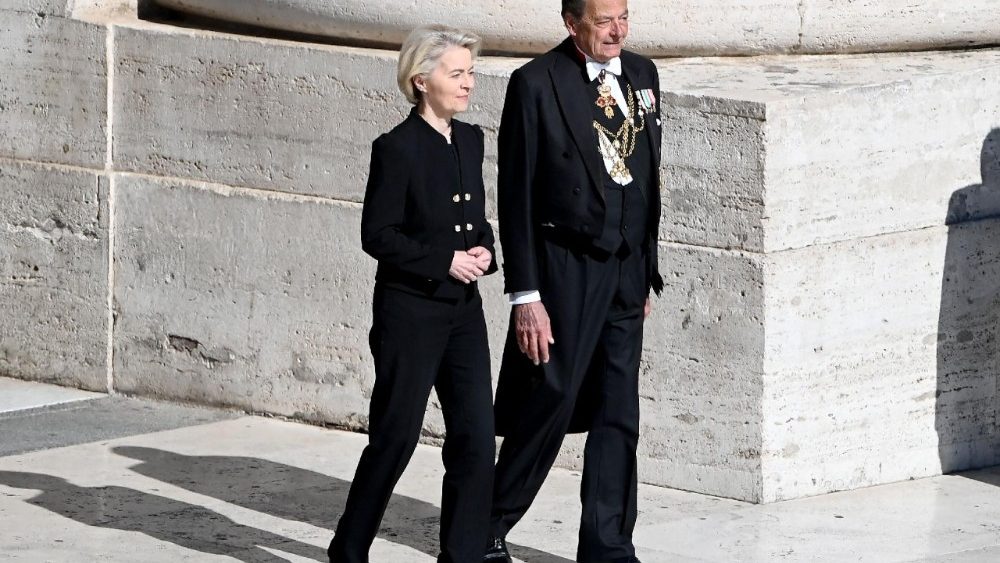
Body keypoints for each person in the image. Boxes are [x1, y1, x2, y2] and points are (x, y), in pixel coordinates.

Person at [484, 0, 663, 561]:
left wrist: (645, 269)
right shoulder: (535, 84)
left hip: (626, 271)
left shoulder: (643, 74)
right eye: (605, 19)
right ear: (572, 23)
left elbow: (647, 175)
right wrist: (525, 296)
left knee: (618, 410)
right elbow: (516, 197)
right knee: (551, 398)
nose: (618, 30)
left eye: (625, 17)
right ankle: (485, 525)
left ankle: (608, 545)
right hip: (565, 269)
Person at [329, 25, 497, 563]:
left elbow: (474, 221)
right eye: (457, 73)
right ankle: (349, 550)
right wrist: (443, 262)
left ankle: (464, 554)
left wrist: (484, 251)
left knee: (475, 437)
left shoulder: (472, 140)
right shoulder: (395, 148)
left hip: (464, 314)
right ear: (422, 80)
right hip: (410, 313)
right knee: (396, 437)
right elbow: (377, 235)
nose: (468, 82)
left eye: (471, 71)